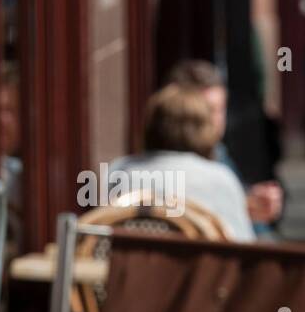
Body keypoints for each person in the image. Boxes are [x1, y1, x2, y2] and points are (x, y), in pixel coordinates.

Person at [109, 84, 257, 242]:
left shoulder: (118, 171)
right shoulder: (220, 178)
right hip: (199, 266)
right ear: (205, 129)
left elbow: (99, 239)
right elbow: (244, 249)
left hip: (132, 266)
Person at [165, 60, 283, 235]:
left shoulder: (218, 152)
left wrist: (249, 204)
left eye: (219, 109)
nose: (214, 120)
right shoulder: (167, 166)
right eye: (205, 110)